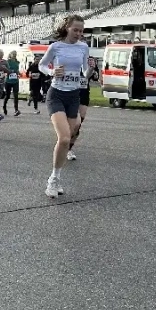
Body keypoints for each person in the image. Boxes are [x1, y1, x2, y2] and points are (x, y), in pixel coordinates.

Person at [40, 15, 89, 197]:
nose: (78, 34)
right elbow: (42, 65)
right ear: (67, 28)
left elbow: (84, 70)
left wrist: (90, 70)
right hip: (57, 95)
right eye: (75, 30)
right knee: (65, 138)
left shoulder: (83, 47)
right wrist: (52, 71)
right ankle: (52, 180)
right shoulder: (56, 46)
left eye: (81, 31)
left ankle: (57, 176)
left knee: (72, 132)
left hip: (74, 95)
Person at [67, 55, 100, 161]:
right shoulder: (74, 64)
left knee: (78, 125)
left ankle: (69, 148)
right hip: (72, 96)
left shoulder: (90, 64)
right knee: (74, 124)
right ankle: (64, 143)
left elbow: (95, 77)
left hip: (84, 96)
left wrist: (93, 68)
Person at [3, 50, 21, 117]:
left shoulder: (17, 62)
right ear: (10, 55)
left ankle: (16, 110)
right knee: (7, 96)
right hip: (8, 81)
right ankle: (4, 107)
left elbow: (17, 70)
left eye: (15, 54)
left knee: (16, 96)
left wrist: (18, 73)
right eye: (13, 54)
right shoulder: (7, 62)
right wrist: (10, 71)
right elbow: (4, 70)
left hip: (15, 81)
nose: (14, 55)